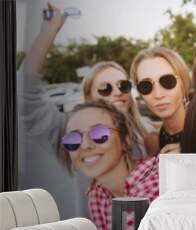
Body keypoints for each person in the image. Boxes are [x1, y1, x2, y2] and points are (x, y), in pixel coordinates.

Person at [19, 3, 153, 158]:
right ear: (89, 97)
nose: (117, 92)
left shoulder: (145, 133)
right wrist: (48, 32)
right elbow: (23, 94)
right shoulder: (72, 131)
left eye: (123, 86)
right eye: (105, 88)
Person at [59, 100, 159, 230]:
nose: (84, 146)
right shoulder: (96, 195)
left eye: (99, 134)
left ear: (125, 140)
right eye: (73, 139)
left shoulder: (157, 181)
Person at [130, 47, 191, 155]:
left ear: (183, 82)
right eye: (146, 86)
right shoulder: (152, 142)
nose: (158, 95)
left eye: (167, 81)